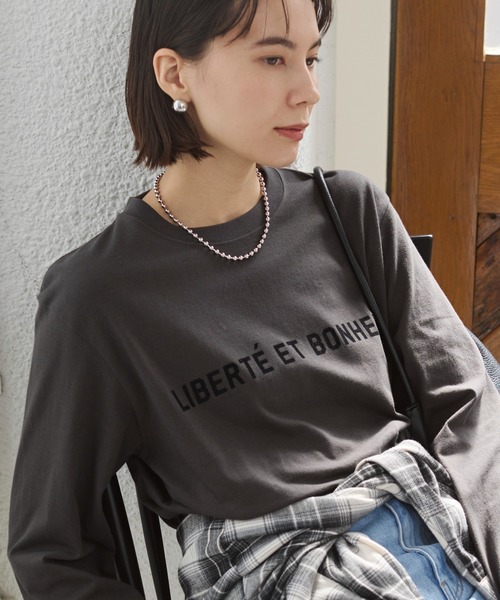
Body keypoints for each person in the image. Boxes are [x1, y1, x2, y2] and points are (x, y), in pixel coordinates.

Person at [8, 0, 500, 598]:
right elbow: (52, 548)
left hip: (440, 529)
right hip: (279, 571)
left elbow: (469, 401)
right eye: (272, 58)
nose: (308, 92)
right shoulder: (97, 297)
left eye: (311, 58)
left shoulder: (350, 212)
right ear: (175, 74)